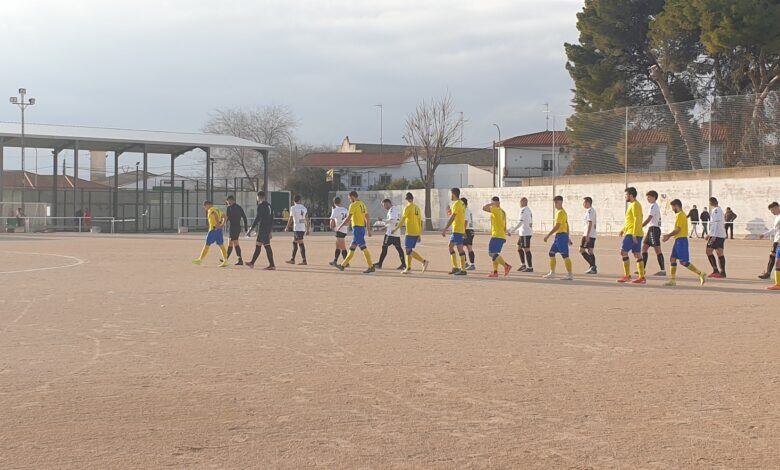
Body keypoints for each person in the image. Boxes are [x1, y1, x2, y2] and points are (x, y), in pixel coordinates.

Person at [662, 199, 706, 287]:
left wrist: (668, 235)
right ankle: (672, 280)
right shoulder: (682, 215)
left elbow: (678, 230)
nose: (672, 209)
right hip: (678, 240)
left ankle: (700, 273)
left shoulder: (680, 215)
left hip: (681, 241)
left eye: (672, 207)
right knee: (672, 259)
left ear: (676, 206)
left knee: (683, 262)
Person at [335, 191, 375, 274]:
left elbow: (348, 218)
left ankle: (371, 266)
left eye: (350, 198)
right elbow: (367, 217)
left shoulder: (353, 205)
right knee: (352, 247)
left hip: (357, 228)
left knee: (363, 247)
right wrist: (368, 229)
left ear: (353, 197)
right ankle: (343, 265)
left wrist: (340, 226)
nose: (349, 200)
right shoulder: (362, 204)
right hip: (361, 228)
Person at [392, 192, 429, 274]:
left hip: (410, 231)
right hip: (416, 231)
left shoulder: (408, 207)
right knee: (408, 250)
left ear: (407, 199)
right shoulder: (417, 208)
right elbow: (420, 221)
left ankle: (423, 261)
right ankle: (408, 268)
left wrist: (396, 228)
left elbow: (403, 219)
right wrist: (419, 234)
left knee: (408, 250)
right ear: (412, 198)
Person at [618, 187, 646, 284]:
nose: (625, 197)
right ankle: (641, 277)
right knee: (637, 254)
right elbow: (630, 220)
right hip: (634, 232)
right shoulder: (634, 205)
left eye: (626, 195)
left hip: (632, 233)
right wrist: (623, 229)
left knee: (623, 252)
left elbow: (637, 219)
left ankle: (627, 276)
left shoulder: (635, 205)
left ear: (630, 195)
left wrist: (634, 233)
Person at [543, 196, 573, 280]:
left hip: (561, 237)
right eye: (554, 203)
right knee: (551, 253)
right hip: (559, 236)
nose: (555, 205)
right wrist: (568, 237)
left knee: (565, 255)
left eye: (556, 203)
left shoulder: (561, 213)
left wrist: (548, 235)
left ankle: (570, 274)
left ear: (560, 202)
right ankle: (552, 273)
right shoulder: (562, 212)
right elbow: (567, 225)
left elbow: (557, 226)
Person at [192, 201, 229, 267]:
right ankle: (225, 260)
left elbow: (215, 215)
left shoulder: (211, 210)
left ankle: (200, 260)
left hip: (213, 230)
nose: (205, 208)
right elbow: (225, 216)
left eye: (205, 207)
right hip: (219, 230)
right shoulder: (218, 209)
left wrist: (218, 223)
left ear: (207, 205)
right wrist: (222, 224)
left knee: (207, 245)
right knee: (221, 245)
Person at [441, 187, 468, 276]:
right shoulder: (461, 203)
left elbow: (453, 217)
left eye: (451, 194)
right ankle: (455, 267)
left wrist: (445, 228)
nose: (450, 196)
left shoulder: (457, 204)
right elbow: (458, 215)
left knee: (460, 249)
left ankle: (463, 269)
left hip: (457, 230)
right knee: (450, 246)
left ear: (453, 194)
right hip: (457, 229)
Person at [483, 196, 512, 278]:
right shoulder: (503, 212)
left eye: (492, 202)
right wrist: (506, 232)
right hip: (501, 235)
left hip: (496, 235)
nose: (491, 205)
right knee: (495, 254)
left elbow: (484, 208)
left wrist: (491, 204)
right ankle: (495, 272)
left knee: (491, 253)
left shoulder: (495, 209)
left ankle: (506, 266)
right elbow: (504, 224)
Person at [246, 191, 275, 270]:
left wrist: (251, 228)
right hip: (266, 228)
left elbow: (257, 218)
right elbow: (272, 219)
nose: (257, 198)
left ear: (259, 197)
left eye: (257, 197)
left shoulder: (261, 205)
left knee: (267, 246)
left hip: (263, 228)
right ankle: (252, 262)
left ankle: (272, 265)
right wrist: (270, 231)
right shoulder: (269, 205)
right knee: (258, 245)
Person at [640, 190, 666, 276]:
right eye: (647, 197)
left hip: (654, 229)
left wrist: (640, 226)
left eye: (649, 197)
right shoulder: (653, 206)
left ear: (654, 197)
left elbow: (649, 218)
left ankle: (663, 270)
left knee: (657, 250)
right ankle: (642, 269)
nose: (647, 198)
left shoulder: (654, 206)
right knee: (644, 248)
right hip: (652, 229)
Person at [375, 198, 405, 270]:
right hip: (396, 233)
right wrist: (385, 227)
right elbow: (394, 221)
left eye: (384, 205)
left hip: (390, 234)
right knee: (399, 249)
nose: (384, 207)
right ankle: (404, 264)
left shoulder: (392, 210)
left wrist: (382, 220)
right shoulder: (395, 209)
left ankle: (379, 264)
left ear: (387, 203)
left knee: (384, 248)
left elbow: (392, 220)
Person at [758, 202, 780, 289]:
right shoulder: (777, 217)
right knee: (774, 258)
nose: (772, 212)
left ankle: (769, 275)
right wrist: (765, 234)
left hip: (778, 241)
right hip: (777, 240)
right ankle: (770, 275)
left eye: (772, 210)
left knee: (776, 259)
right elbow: (774, 229)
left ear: (777, 207)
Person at [509, 197, 533, 272]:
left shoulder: (523, 210)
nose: (519, 203)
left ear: (523, 202)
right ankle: (523, 265)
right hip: (523, 232)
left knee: (526, 249)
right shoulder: (528, 209)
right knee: (519, 247)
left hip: (525, 233)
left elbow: (520, 222)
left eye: (520, 202)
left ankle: (530, 267)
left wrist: (512, 231)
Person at [284, 195, 309, 265]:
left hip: (297, 228)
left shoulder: (293, 208)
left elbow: (291, 218)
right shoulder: (304, 208)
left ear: (293, 201)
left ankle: (304, 260)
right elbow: (306, 219)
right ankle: (292, 259)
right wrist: (307, 229)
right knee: (294, 242)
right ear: (300, 200)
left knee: (300, 243)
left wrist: (287, 227)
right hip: (301, 228)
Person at [705, 197, 727, 278]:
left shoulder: (716, 210)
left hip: (716, 235)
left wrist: (712, 235)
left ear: (710, 203)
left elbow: (716, 223)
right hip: (721, 235)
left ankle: (715, 271)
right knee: (720, 253)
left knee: (708, 251)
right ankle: (723, 272)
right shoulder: (720, 210)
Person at [224, 195, 248, 265]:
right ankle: (237, 259)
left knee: (233, 243)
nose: (228, 202)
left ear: (232, 200)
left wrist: (246, 228)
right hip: (234, 227)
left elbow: (244, 217)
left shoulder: (233, 208)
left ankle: (227, 259)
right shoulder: (233, 208)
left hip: (234, 227)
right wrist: (222, 224)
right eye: (227, 201)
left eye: (228, 201)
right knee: (233, 243)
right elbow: (227, 218)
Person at [329, 197, 349, 267]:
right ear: (340, 202)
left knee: (342, 247)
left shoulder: (335, 210)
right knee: (337, 246)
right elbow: (348, 219)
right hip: (344, 229)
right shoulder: (345, 209)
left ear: (334, 202)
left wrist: (331, 227)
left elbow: (332, 219)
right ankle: (335, 261)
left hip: (339, 229)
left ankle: (346, 263)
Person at [580, 197, 598, 274]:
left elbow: (590, 223)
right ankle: (593, 268)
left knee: (581, 250)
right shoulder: (591, 210)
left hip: (588, 234)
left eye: (584, 202)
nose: (583, 204)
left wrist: (587, 235)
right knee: (590, 250)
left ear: (588, 203)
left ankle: (593, 266)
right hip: (591, 234)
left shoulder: (590, 211)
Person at [462, 198, 477, 271]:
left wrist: (463, 231)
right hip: (470, 230)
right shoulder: (468, 211)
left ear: (463, 204)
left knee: (461, 247)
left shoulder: (465, 211)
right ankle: (470, 264)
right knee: (468, 247)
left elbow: (465, 221)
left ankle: (468, 264)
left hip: (467, 230)